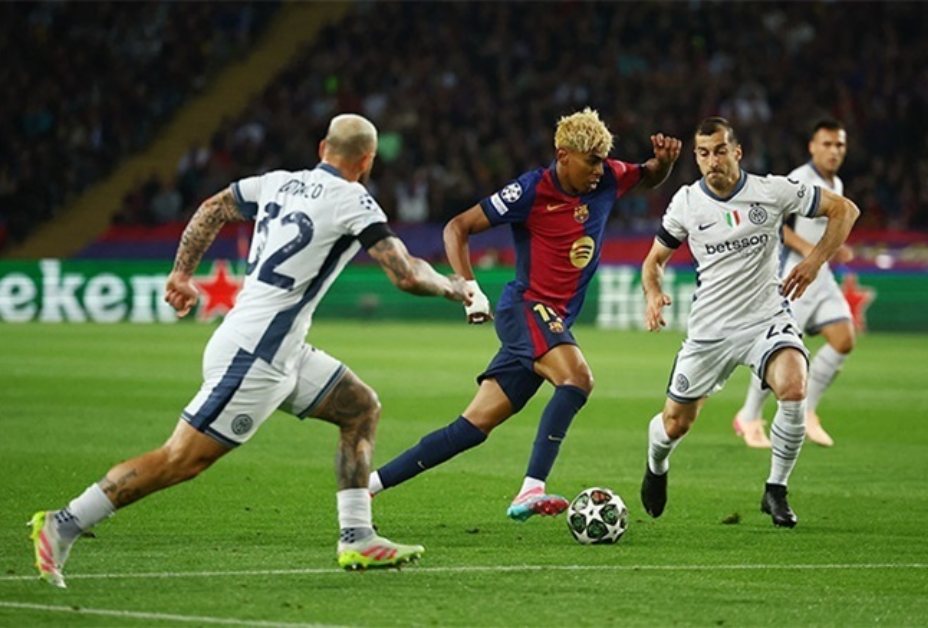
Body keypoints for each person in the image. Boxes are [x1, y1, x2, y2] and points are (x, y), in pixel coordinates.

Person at [29, 114, 472, 587]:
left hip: (277, 348)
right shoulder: (352, 199)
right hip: (256, 356)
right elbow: (405, 273)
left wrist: (182, 273)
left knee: (360, 407)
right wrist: (455, 288)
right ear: (367, 161)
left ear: (322, 147)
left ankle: (357, 536)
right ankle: (64, 522)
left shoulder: (274, 182)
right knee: (181, 460)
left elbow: (213, 208)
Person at [368, 108, 682, 520]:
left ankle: (367, 486)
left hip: (551, 321)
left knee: (471, 428)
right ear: (563, 155)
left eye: (603, 161)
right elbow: (457, 227)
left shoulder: (607, 176)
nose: (598, 170)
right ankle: (532, 488)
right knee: (577, 379)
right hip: (526, 308)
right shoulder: (531, 190)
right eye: (590, 161)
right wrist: (470, 288)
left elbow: (647, 174)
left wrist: (665, 163)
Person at [640, 117, 858, 527]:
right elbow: (654, 261)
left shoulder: (771, 191)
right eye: (704, 153)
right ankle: (656, 465)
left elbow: (844, 210)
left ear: (736, 152)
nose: (712, 161)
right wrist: (653, 293)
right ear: (696, 158)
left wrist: (814, 262)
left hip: (766, 321)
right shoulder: (687, 202)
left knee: (793, 385)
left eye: (720, 151)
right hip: (710, 332)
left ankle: (776, 489)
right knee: (675, 424)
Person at [733, 119, 854, 448]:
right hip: (795, 275)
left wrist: (833, 248)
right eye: (827, 144)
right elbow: (776, 222)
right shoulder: (801, 179)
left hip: (821, 276)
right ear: (812, 147)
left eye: (839, 145)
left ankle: (808, 411)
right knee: (779, 350)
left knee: (843, 339)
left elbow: (826, 229)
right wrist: (808, 250)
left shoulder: (836, 183)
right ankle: (748, 416)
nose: (834, 151)